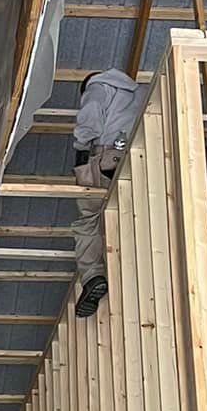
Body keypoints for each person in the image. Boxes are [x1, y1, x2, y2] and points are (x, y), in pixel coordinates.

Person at [71, 67, 143, 319]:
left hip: (107, 159)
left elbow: (90, 117)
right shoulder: (138, 93)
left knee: (88, 221)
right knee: (127, 218)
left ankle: (92, 276)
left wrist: (81, 151)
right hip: (140, 165)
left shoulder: (97, 86)